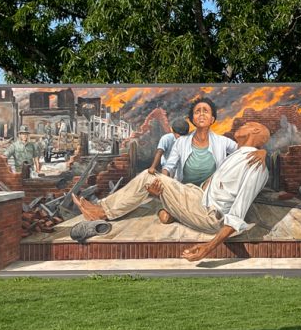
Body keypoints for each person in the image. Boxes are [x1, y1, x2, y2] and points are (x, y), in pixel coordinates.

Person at [73, 122, 272, 262]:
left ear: (254, 130)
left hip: (210, 215)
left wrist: (208, 247)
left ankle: (102, 212)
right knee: (159, 185)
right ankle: (169, 208)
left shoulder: (254, 163)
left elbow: (237, 214)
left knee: (149, 176)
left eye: (247, 124)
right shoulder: (239, 155)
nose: (241, 126)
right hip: (199, 198)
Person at [160, 97, 263, 186]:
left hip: (211, 194)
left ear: (212, 119)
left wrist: (262, 152)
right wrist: (162, 181)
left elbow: (243, 153)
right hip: (183, 190)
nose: (201, 114)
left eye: (205, 111)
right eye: (197, 111)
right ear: (192, 119)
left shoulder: (223, 142)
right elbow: (169, 166)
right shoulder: (181, 142)